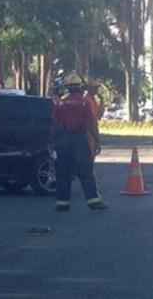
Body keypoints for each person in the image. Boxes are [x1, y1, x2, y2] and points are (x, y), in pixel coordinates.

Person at [53, 73, 107, 212]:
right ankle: (93, 201)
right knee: (86, 171)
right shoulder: (84, 102)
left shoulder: (61, 102)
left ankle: (62, 203)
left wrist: (54, 142)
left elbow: (55, 123)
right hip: (79, 139)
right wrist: (97, 141)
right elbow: (91, 123)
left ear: (67, 88)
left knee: (63, 173)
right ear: (80, 87)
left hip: (64, 141)